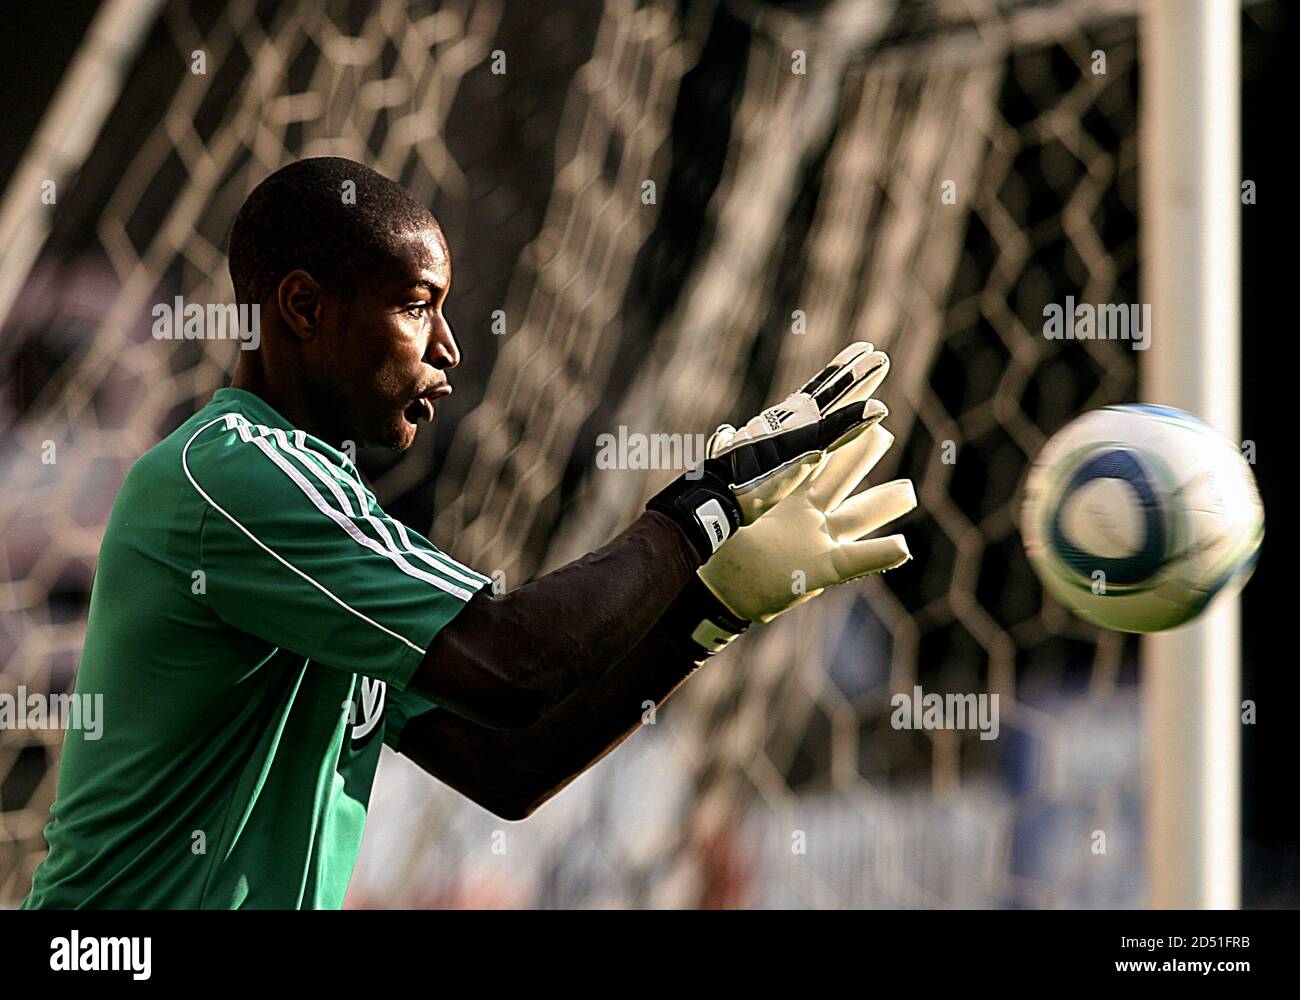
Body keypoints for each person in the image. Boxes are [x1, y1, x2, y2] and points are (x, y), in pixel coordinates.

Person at [24, 157, 915, 909]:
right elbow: (511, 665)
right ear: (302, 306)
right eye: (418, 306)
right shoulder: (232, 471)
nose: (449, 348)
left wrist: (710, 608)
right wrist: (703, 508)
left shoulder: (324, 510)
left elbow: (504, 762)